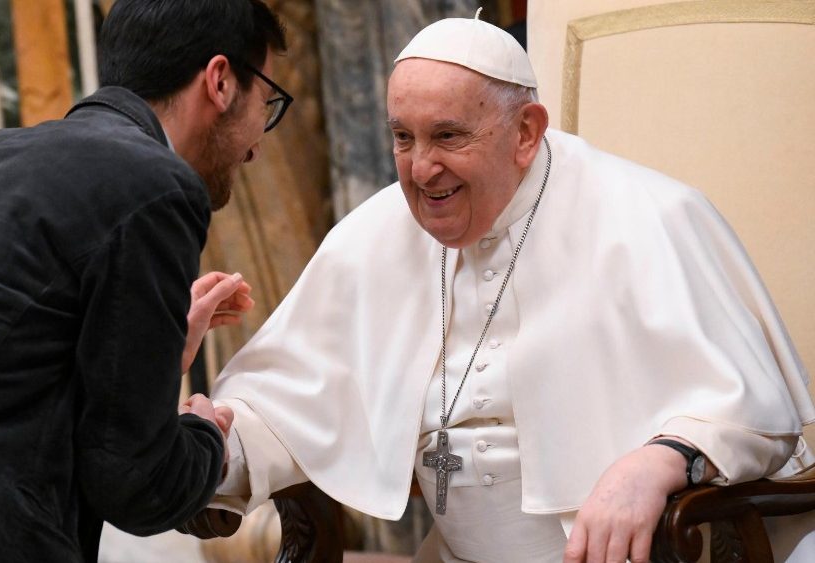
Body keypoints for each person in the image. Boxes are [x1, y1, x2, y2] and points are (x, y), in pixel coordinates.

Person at [204, 12, 815, 563]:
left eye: (448, 136)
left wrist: (657, 463)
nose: (421, 169)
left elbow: (751, 413)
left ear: (525, 132)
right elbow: (291, 398)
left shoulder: (648, 217)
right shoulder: (376, 232)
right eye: (403, 137)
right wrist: (216, 442)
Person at [0, 0, 291, 561]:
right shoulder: (155, 184)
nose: (257, 145)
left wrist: (160, 351)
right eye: (267, 103)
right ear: (220, 81)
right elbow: (137, 483)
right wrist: (206, 434)